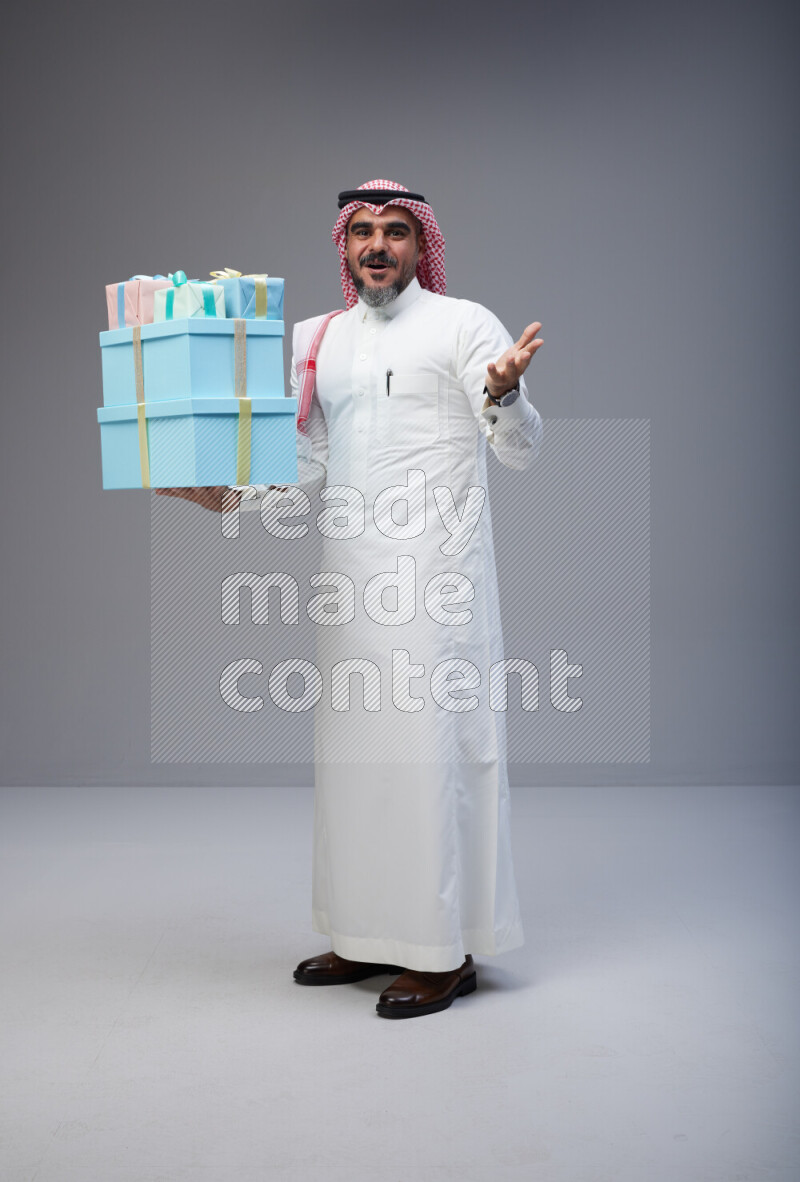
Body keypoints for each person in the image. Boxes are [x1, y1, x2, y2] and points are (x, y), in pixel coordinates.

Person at [156, 179, 544, 1019]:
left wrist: (507, 391)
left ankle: (442, 954)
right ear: (344, 245)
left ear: (420, 244)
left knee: (431, 759)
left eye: (396, 232)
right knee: (358, 762)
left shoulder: (464, 323)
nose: (377, 245)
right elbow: (307, 462)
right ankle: (366, 936)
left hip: (439, 579)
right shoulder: (318, 339)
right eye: (362, 231)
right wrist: (223, 498)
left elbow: (517, 452)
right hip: (352, 578)